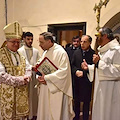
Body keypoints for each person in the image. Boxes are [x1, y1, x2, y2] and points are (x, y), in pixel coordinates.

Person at [82, 27, 120, 120]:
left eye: (98, 36)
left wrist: (99, 63)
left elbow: (117, 72)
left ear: (105, 36)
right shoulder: (103, 50)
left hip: (110, 90)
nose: (96, 39)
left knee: (108, 113)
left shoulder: (116, 50)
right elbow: (100, 69)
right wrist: (89, 68)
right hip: (100, 88)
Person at [36, 32, 74, 120]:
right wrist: (38, 74)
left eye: (41, 42)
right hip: (45, 88)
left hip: (57, 89)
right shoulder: (46, 52)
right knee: (45, 112)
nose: (39, 45)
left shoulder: (61, 53)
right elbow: (41, 65)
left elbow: (63, 72)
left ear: (49, 41)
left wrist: (47, 78)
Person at [0, 21, 32, 120]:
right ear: (7, 41)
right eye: (13, 42)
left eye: (18, 42)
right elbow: (1, 75)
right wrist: (20, 80)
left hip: (21, 95)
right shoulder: (1, 54)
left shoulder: (20, 55)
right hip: (6, 95)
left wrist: (28, 76)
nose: (16, 44)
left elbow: (28, 67)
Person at [72, 35, 95, 120]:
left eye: (84, 42)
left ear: (90, 43)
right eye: (81, 41)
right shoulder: (76, 52)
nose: (82, 44)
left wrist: (84, 72)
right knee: (76, 103)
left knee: (86, 104)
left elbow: (94, 68)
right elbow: (72, 65)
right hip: (77, 82)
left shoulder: (93, 54)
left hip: (87, 82)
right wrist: (76, 71)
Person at [18, 32, 40, 120]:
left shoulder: (36, 51)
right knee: (26, 97)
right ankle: (25, 114)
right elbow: (20, 64)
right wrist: (31, 67)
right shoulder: (19, 51)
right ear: (23, 39)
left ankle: (33, 114)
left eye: (31, 39)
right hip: (25, 77)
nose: (30, 41)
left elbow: (39, 61)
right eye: (28, 39)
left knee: (34, 96)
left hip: (34, 77)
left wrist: (38, 66)